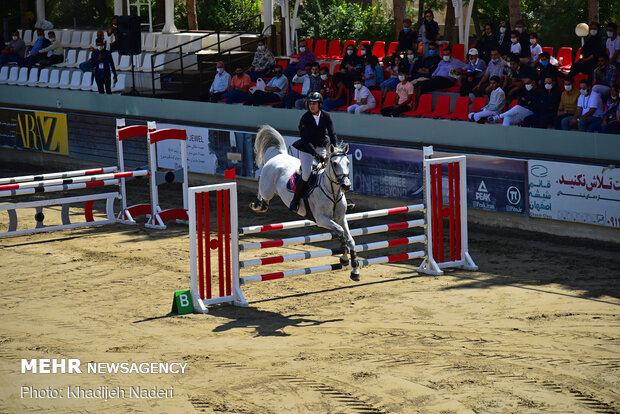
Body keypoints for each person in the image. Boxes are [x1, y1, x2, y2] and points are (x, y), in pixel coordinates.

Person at [289, 92, 338, 212]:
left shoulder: (326, 116)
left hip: (321, 146)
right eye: (310, 104)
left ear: (320, 104)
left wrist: (334, 149)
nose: (311, 106)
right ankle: (295, 200)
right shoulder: (305, 118)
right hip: (307, 149)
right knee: (306, 174)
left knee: (333, 171)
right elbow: (306, 140)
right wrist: (316, 156)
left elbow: (332, 134)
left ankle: (340, 198)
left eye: (314, 104)